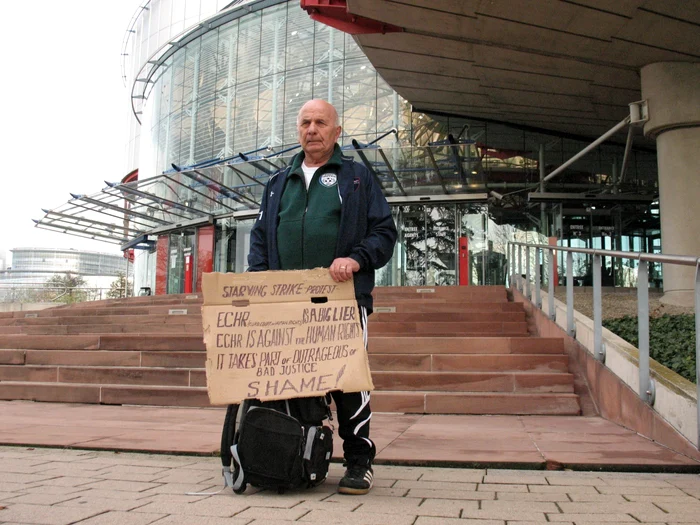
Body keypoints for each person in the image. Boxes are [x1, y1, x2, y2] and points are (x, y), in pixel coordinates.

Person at [247, 99, 397, 495]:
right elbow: (260, 239)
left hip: (342, 301)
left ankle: (358, 460)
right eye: (305, 122)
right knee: (290, 379)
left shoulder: (357, 178)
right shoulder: (278, 182)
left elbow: (384, 234)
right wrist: (258, 283)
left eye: (320, 123)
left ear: (336, 132)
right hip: (288, 305)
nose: (311, 129)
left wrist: (356, 258)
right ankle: (293, 455)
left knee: (346, 380)